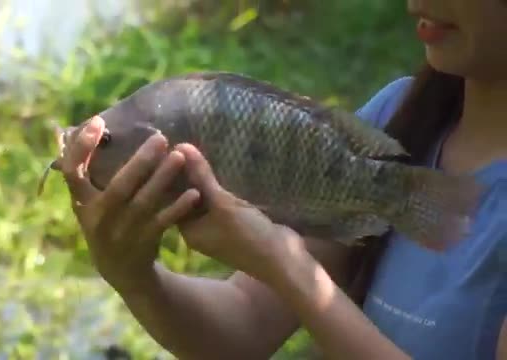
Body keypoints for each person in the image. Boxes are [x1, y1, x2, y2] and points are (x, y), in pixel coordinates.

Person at [57, 0, 507, 358]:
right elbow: (244, 325)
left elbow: (285, 277)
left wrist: (287, 265)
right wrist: (133, 274)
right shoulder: (399, 114)